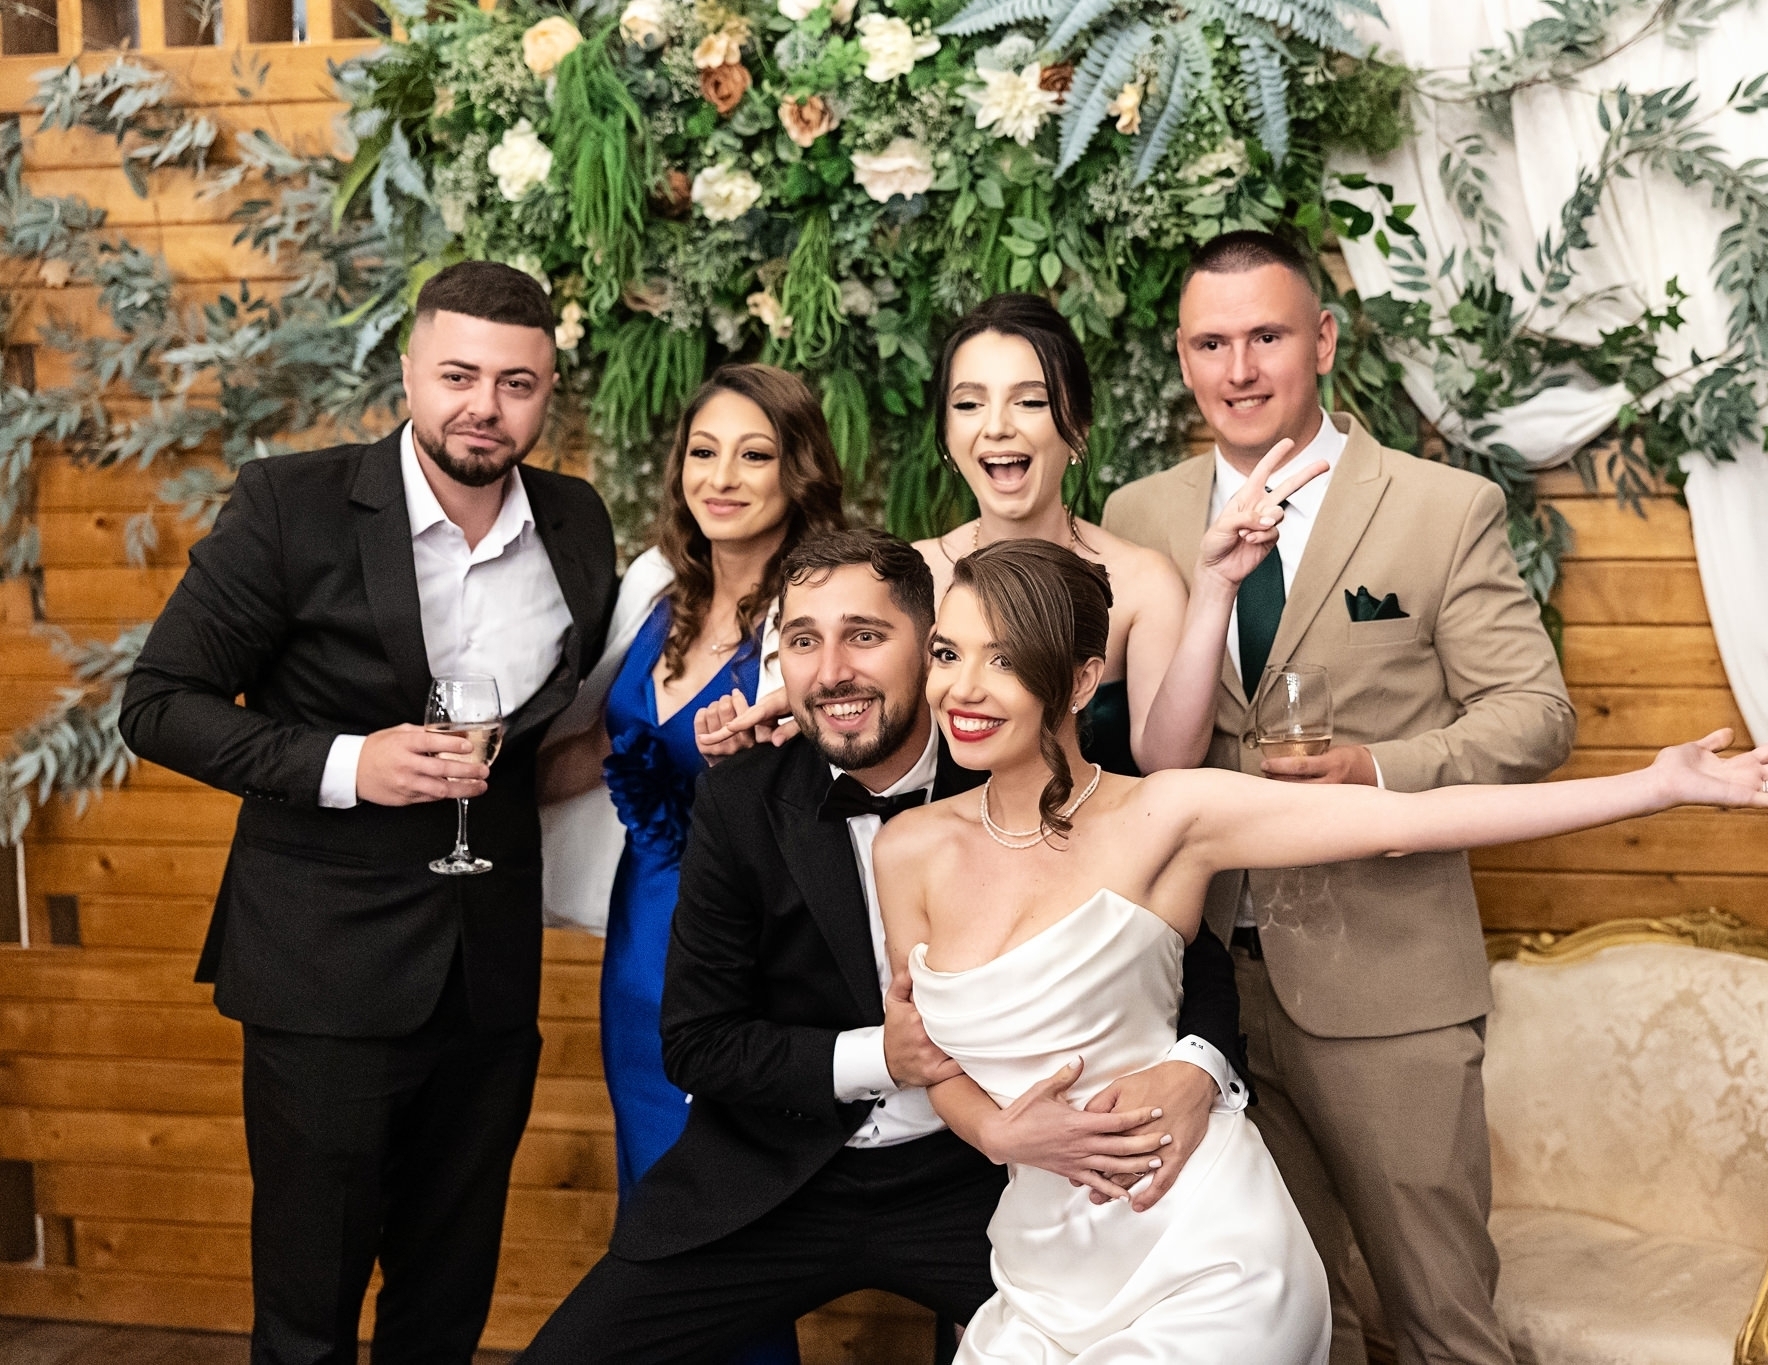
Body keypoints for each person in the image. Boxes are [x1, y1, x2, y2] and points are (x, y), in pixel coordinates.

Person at [874, 538, 1768, 1365]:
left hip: (1204, 1257)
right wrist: (999, 1134)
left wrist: (1656, 785)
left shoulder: (1166, 815)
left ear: (1083, 680)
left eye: (1004, 660)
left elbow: (1409, 820)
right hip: (1040, 1277)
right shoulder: (906, 850)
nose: (962, 688)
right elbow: (926, 1054)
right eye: (948, 652)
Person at [517, 529, 1251, 1365]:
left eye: (864, 635)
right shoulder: (741, 800)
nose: (832, 670)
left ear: (931, 649)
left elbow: (1188, 955)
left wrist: (1198, 1069)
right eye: (803, 641)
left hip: (983, 1177)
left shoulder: (1016, 768)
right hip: (772, 1180)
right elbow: (697, 1042)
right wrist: (883, 1056)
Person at [118, 261, 618, 1365]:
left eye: (517, 384)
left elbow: (542, 733)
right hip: (322, 970)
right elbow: (157, 706)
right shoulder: (290, 505)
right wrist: (352, 763)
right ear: (408, 374)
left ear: (549, 393)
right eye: (458, 376)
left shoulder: (578, 523)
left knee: (446, 1300)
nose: (484, 406)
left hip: (488, 974)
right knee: (310, 1311)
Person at [1101, 228, 1580, 1365]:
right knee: (1274, 1324)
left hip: (1386, 984)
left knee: (1437, 1319)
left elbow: (1535, 715)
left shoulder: (1440, 507)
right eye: (1209, 344)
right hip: (1200, 993)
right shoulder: (1139, 517)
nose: (1238, 370)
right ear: (1182, 359)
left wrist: (1376, 770)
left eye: (1265, 336)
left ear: (1321, 340)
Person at [538, 364, 844, 1195]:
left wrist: (756, 771)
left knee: (724, 1186)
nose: (721, 477)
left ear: (798, 470)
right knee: (649, 1171)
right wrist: (477, 785)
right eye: (703, 452)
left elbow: (849, 781)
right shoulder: (653, 586)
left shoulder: (824, 609)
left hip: (751, 941)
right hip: (640, 934)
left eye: (754, 454)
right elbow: (600, 743)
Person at [911, 294, 1218, 776]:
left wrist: (1218, 586)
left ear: (1077, 425)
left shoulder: (1142, 583)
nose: (997, 427)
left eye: (1030, 402)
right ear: (947, 433)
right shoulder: (914, 577)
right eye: (969, 404)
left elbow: (1170, 764)